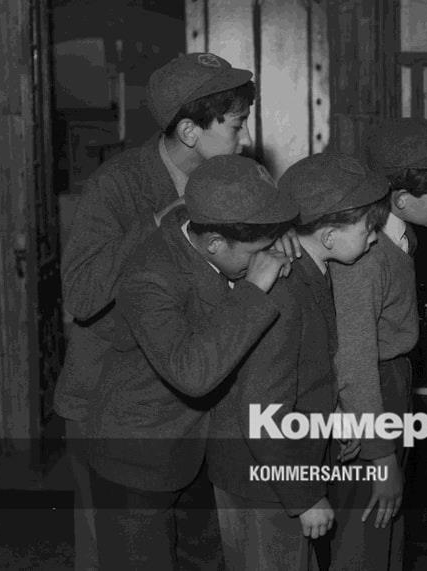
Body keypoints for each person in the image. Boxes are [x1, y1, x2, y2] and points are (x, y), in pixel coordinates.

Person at [56, 52, 256, 570]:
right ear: (190, 131)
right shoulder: (118, 184)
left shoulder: (231, 181)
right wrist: (158, 223)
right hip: (110, 408)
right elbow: (81, 295)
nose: (245, 139)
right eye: (236, 126)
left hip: (189, 404)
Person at [87, 155, 298, 569]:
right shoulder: (148, 276)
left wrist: (277, 232)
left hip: (194, 451)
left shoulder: (213, 231)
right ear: (214, 242)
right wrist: (254, 287)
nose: (267, 258)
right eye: (258, 253)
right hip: (136, 457)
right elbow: (193, 374)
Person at [205, 152, 389, 570]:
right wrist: (303, 497)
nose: (375, 238)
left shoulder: (311, 273)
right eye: (369, 228)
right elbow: (261, 410)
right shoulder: (286, 292)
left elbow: (304, 371)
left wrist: (331, 416)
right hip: (264, 481)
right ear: (329, 235)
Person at [325, 118, 427, 570]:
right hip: (369, 395)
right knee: (364, 536)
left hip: (389, 386)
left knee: (385, 533)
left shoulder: (398, 235)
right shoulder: (365, 256)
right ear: (402, 198)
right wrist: (380, 455)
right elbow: (354, 360)